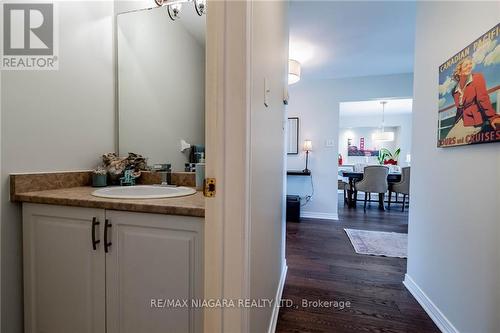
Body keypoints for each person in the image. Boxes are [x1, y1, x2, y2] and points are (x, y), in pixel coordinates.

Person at [445, 56, 500, 142]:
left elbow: (483, 99)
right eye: (466, 65)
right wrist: (455, 123)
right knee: (448, 139)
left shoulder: (477, 78)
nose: (470, 66)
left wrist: (493, 117)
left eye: (470, 64)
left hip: (475, 120)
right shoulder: (454, 90)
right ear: (459, 71)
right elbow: (459, 109)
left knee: (454, 140)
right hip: (462, 120)